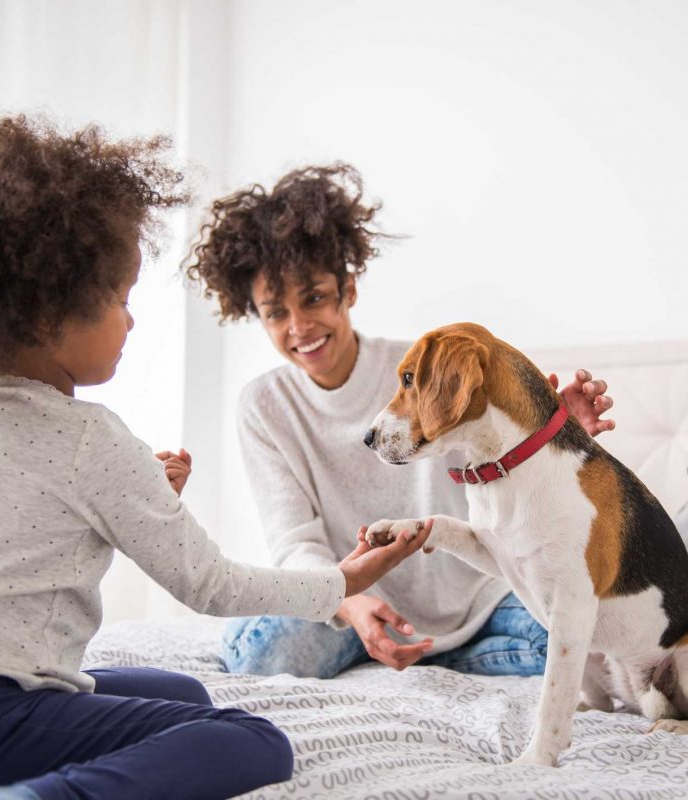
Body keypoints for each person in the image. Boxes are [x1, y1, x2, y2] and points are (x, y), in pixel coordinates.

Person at [0, 118, 429, 800]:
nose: (132, 321)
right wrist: (343, 583)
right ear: (44, 317)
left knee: (178, 691)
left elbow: (32, 533)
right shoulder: (92, 437)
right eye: (121, 299)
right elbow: (214, 587)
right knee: (250, 740)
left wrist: (141, 496)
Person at [185, 163, 614, 679]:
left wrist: (550, 435)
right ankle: (420, 651)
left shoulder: (423, 367)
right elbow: (295, 542)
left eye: (315, 298)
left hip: (475, 597)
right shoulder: (263, 406)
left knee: (587, 646)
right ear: (256, 315)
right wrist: (347, 602)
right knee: (263, 653)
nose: (299, 326)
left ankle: (435, 653)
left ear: (347, 291)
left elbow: (495, 458)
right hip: (349, 597)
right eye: (276, 312)